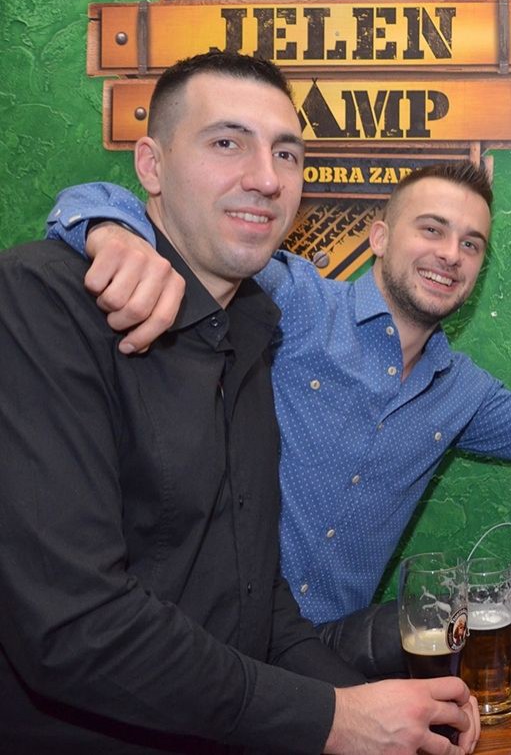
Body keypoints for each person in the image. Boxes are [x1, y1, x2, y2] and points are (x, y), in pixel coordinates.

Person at [0, 51, 478, 753]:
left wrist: (369, 706)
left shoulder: (254, 332)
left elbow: (257, 602)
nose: (265, 178)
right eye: (227, 143)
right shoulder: (44, 299)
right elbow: (78, 626)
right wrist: (333, 720)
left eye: (286, 154)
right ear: (151, 166)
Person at [46, 160, 511, 632]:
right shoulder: (296, 301)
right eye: (431, 230)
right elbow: (115, 207)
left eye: (471, 243)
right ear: (379, 237)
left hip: (329, 650)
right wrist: (110, 232)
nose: (450, 254)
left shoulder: (461, 391)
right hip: (204, 634)